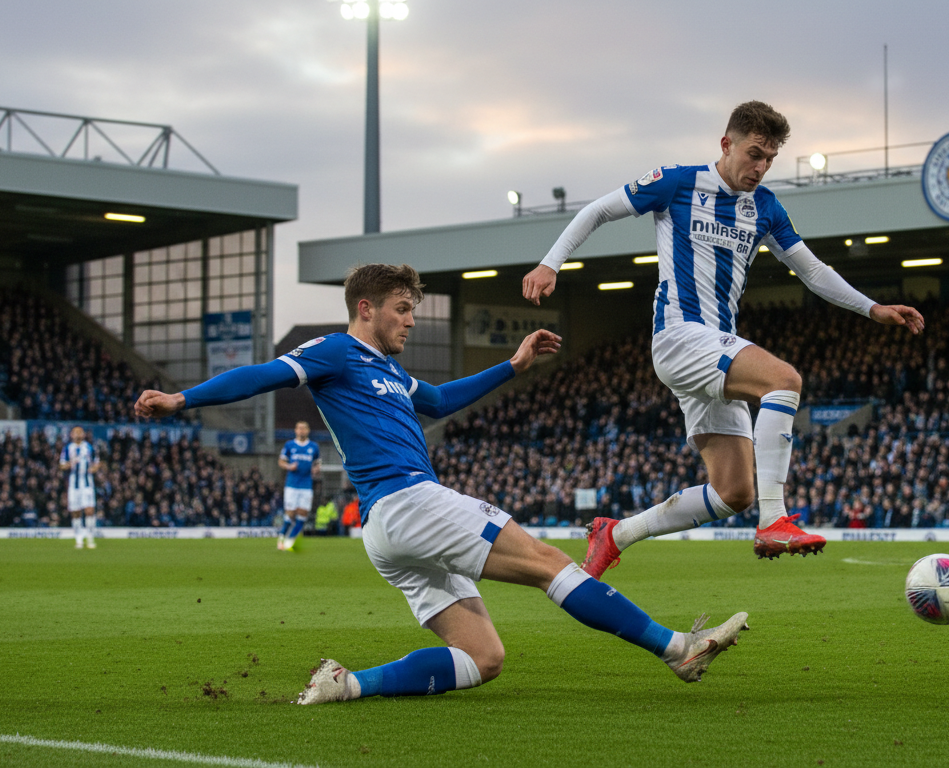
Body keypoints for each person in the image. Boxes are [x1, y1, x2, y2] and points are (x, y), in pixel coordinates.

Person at [135, 263, 748, 703]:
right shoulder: (334, 351)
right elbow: (261, 375)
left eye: (414, 311)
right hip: (405, 500)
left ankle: (344, 686)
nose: (410, 322)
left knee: (484, 659)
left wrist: (512, 366)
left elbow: (438, 400)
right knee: (546, 562)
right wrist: (181, 399)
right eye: (402, 310)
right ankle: (676, 648)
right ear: (366, 309)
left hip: (389, 528)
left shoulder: (389, 372)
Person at [522, 101, 924, 576]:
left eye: (770, 159)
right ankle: (775, 520)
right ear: (726, 144)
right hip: (679, 335)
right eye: (754, 154)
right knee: (784, 380)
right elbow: (598, 211)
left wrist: (871, 307)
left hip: (714, 347)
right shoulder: (678, 183)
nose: (761, 167)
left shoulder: (766, 207)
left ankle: (618, 533)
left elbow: (811, 269)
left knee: (733, 492)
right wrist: (551, 262)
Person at [277, 421, 321, 550]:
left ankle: (290, 542)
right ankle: (281, 538)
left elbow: (317, 463)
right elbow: (281, 461)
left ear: (308, 430)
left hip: (306, 485)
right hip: (292, 485)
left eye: (304, 428)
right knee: (290, 513)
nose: (301, 430)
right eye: (299, 428)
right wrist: (289, 466)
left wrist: (316, 469)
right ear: (295, 430)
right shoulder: (289, 445)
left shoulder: (314, 446)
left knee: (302, 515)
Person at [59, 426, 99, 549]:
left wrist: (93, 469)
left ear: (83, 435)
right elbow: (62, 465)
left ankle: (90, 537)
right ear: (71, 435)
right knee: (75, 512)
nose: (78, 434)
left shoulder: (89, 447)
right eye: (75, 432)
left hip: (87, 483)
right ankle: (79, 538)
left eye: (80, 432)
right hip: (73, 484)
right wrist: (70, 463)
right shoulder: (67, 448)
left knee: (89, 510)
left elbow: (96, 463)